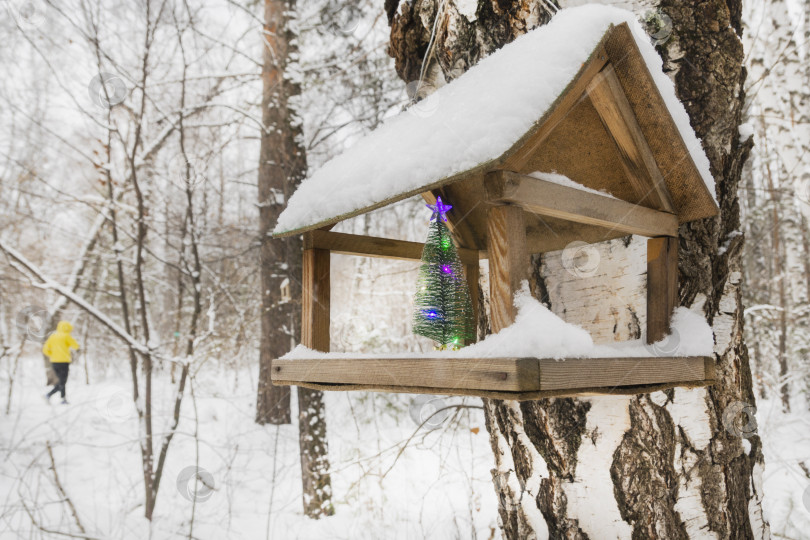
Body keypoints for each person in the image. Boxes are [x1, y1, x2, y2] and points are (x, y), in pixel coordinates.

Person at [42, 320, 80, 404]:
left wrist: (52, 355)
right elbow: (75, 346)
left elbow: (45, 349)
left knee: (61, 380)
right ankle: (49, 395)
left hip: (54, 362)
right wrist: (77, 349)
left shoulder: (53, 336)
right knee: (63, 381)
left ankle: (63, 399)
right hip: (64, 361)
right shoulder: (66, 336)